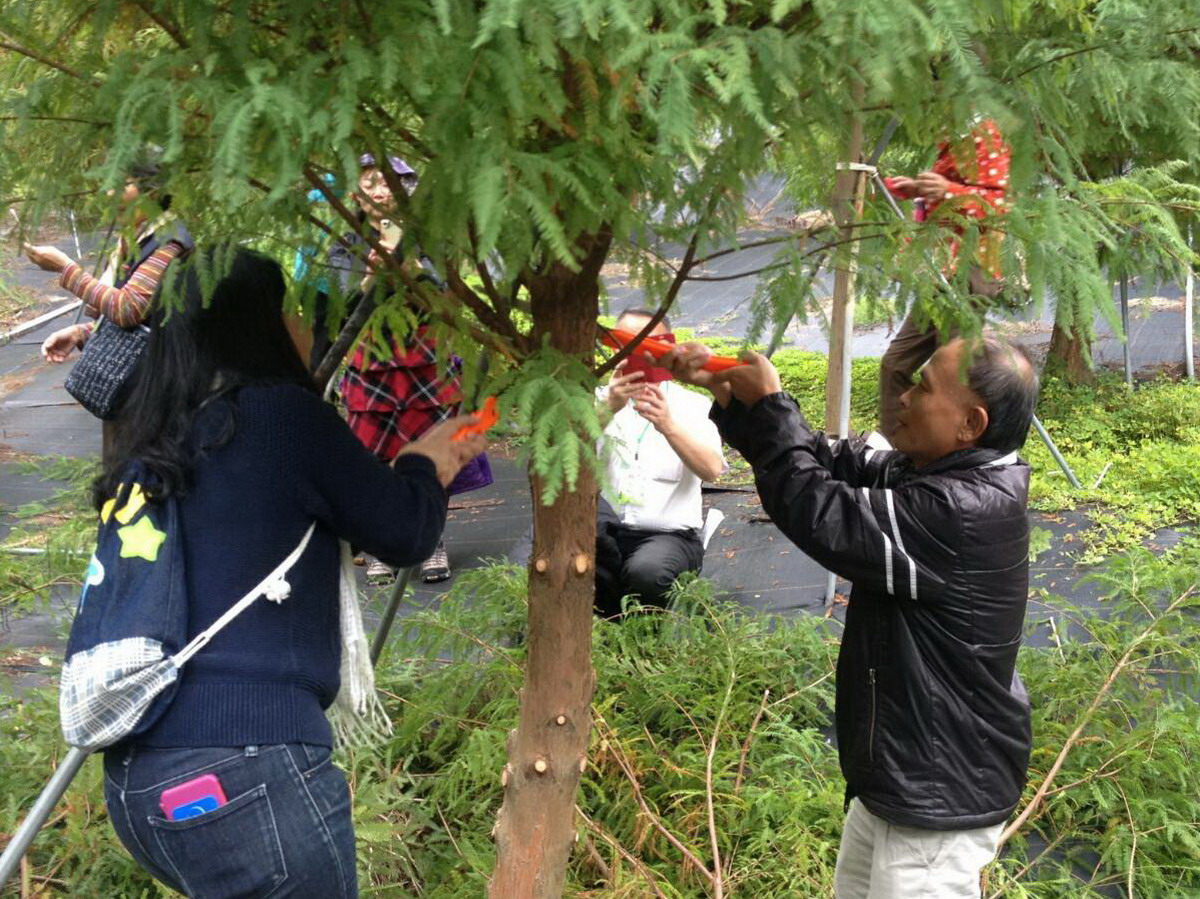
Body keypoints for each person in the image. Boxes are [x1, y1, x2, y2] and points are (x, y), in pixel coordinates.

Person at [98, 246, 486, 898]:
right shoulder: (279, 415)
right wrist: (426, 462)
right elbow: (404, 532)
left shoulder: (151, 443)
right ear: (261, 323)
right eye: (295, 307)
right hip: (244, 767)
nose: (307, 322)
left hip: (138, 783)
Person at [661, 336, 1037, 898]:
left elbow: (818, 509)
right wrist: (738, 399)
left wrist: (772, 406)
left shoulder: (959, 510)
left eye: (923, 387)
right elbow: (831, 461)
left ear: (970, 424)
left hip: (935, 797)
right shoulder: (933, 474)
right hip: (903, 778)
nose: (903, 396)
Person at [333, 153, 491, 586]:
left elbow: (449, 297)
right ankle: (383, 546)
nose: (380, 191)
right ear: (355, 194)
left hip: (425, 355)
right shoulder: (344, 241)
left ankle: (433, 540)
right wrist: (369, 277)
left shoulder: (428, 239)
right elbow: (339, 303)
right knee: (374, 454)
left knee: (431, 448)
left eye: (387, 181)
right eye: (369, 182)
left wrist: (414, 271)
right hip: (372, 359)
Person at [878, 118, 1011, 439]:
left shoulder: (985, 136)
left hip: (970, 271)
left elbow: (999, 205)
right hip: (943, 273)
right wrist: (921, 190)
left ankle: (949, 451)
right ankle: (898, 446)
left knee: (950, 375)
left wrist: (948, 191)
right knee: (895, 365)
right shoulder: (955, 139)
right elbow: (955, 193)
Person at [594, 309, 724, 617]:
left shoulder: (692, 405)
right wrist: (606, 410)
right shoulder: (597, 399)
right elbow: (562, 458)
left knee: (646, 572)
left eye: (646, 345)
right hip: (602, 529)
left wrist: (668, 425)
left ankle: (645, 635)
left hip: (669, 536)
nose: (634, 354)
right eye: (624, 344)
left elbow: (712, 470)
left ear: (666, 351)